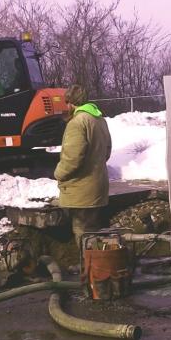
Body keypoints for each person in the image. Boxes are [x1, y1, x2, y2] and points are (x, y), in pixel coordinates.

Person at [54, 84, 111, 246]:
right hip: (98, 187)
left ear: (71, 103)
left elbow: (72, 158)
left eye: (67, 102)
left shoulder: (77, 123)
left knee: (83, 232)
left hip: (81, 191)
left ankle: (90, 268)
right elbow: (106, 151)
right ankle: (97, 266)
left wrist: (59, 173)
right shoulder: (99, 120)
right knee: (93, 229)